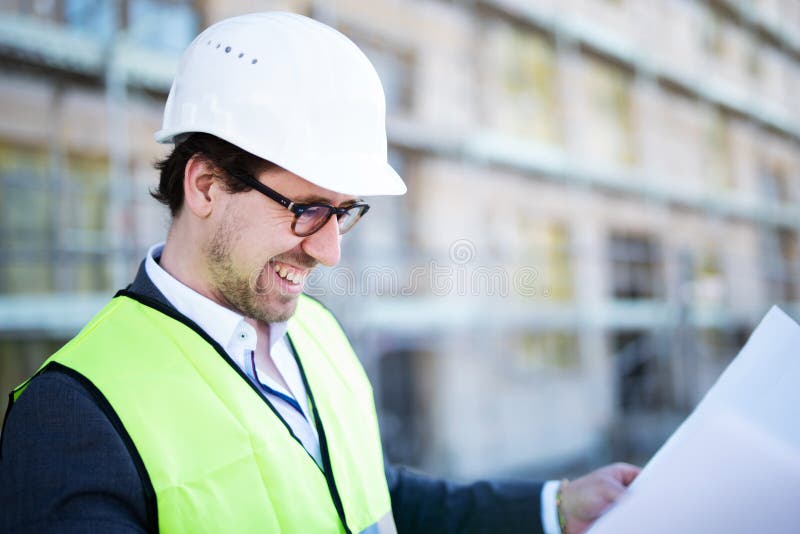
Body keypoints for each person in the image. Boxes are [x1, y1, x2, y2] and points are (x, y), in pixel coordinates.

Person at [0, 12, 639, 534]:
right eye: (306, 209)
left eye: (344, 212)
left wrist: (554, 507)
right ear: (205, 185)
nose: (330, 251)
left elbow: (366, 497)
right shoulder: (67, 418)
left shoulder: (319, 332)